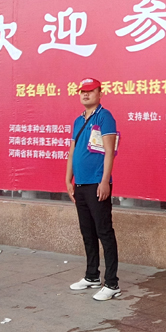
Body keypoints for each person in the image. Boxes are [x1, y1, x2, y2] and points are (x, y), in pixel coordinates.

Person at [65, 78, 120, 301]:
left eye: (90, 91)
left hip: (97, 184)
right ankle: (92, 276)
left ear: (100, 93)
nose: (85, 94)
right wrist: (68, 179)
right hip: (80, 184)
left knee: (104, 232)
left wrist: (105, 181)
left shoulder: (105, 117)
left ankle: (112, 283)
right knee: (87, 232)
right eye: (82, 91)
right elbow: (72, 152)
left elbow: (109, 151)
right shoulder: (78, 120)